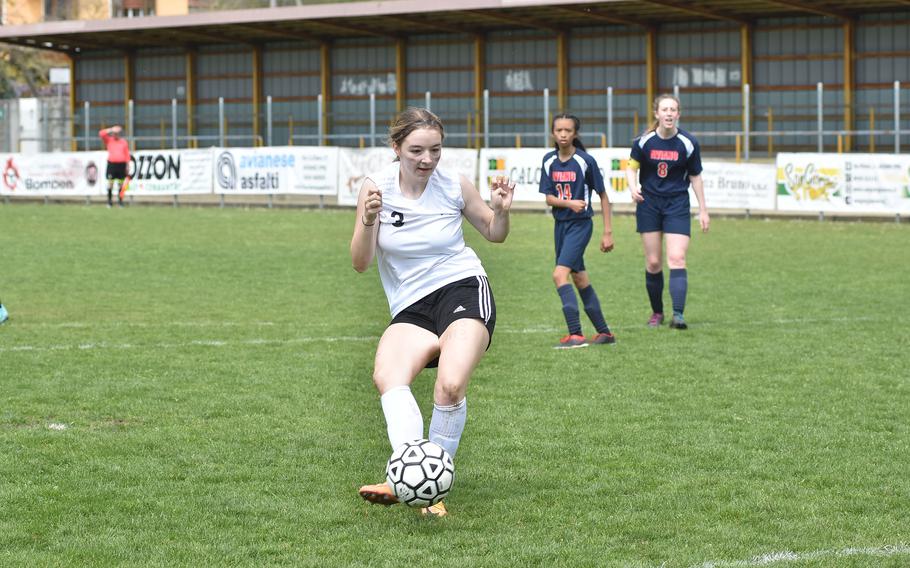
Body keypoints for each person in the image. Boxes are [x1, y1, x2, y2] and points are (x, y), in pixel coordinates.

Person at [351, 107, 515, 518]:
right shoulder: (376, 189)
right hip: (411, 305)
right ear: (396, 148)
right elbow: (360, 262)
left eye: (435, 150)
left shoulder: (454, 185)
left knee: (450, 385)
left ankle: (432, 489)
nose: (427, 160)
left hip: (462, 288)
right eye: (417, 151)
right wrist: (368, 220)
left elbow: (494, 233)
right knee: (387, 375)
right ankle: (408, 474)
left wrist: (503, 209)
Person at [625, 94, 709, 330]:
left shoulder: (688, 142)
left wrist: (703, 209)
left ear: (678, 114)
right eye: (665, 109)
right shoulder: (644, 142)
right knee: (653, 263)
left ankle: (678, 315)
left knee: (677, 258)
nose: (669, 113)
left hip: (677, 205)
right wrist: (633, 189)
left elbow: (695, 176)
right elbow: (631, 169)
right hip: (649, 204)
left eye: (673, 109)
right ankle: (657, 312)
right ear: (657, 114)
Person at [539, 113, 616, 349]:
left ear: (575, 134)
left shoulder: (585, 161)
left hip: (581, 225)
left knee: (559, 275)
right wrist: (569, 203)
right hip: (560, 226)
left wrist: (607, 232)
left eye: (568, 131)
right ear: (553, 133)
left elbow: (603, 196)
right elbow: (549, 199)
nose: (563, 134)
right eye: (559, 130)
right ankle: (604, 332)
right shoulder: (548, 160)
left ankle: (576, 335)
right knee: (579, 278)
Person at [99, 125, 131, 208]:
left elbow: (127, 154)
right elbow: (101, 133)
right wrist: (111, 129)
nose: (116, 135)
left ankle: (120, 202)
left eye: (117, 133)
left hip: (121, 165)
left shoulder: (123, 142)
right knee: (110, 183)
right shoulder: (109, 140)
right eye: (114, 133)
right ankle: (109, 202)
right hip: (112, 165)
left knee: (121, 184)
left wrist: (128, 165)